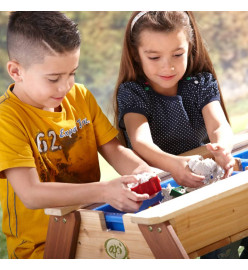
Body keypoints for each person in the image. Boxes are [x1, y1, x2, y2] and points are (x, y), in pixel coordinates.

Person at [0, 11, 154, 259]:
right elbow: (31, 193)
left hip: (94, 229)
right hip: (44, 247)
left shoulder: (80, 96)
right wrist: (104, 191)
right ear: (16, 71)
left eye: (72, 73)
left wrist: (142, 172)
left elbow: (114, 149)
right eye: (53, 78)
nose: (65, 86)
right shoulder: (6, 119)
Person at [113, 11, 241, 258]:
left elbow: (218, 126)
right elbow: (140, 142)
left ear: (190, 48)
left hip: (204, 184)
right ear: (136, 56)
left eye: (177, 54)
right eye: (154, 57)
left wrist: (223, 147)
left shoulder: (200, 84)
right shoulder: (133, 93)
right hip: (161, 196)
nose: (168, 66)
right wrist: (175, 166)